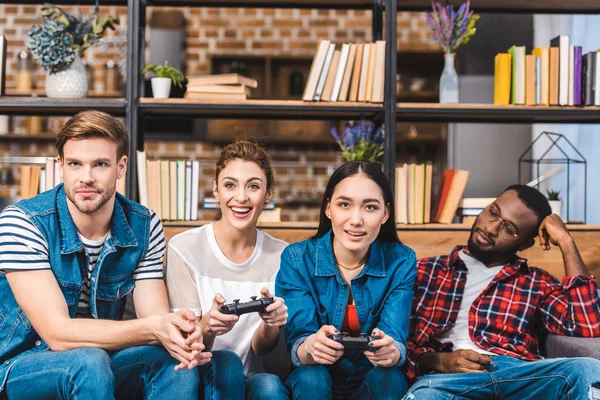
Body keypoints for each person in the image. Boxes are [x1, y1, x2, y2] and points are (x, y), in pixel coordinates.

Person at [0, 110, 210, 400]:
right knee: (88, 361)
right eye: (75, 164)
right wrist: (154, 327)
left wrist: (177, 333)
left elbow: (154, 317)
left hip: (101, 359)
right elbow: (56, 333)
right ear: (60, 166)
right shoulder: (22, 221)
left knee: (177, 363)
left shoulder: (144, 225)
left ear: (121, 167)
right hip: (19, 365)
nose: (86, 178)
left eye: (100, 164)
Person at [402, 184, 600, 400]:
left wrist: (566, 241)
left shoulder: (537, 281)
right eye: (493, 212)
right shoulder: (423, 271)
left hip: (519, 376)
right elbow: (396, 344)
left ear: (525, 244)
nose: (490, 228)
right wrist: (439, 361)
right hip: (448, 378)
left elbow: (587, 326)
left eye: (508, 228)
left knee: (588, 370)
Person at [276, 161, 416, 400]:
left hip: (371, 379)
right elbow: (298, 340)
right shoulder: (297, 259)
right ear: (328, 208)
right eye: (344, 205)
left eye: (370, 207)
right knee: (311, 376)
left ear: (386, 213)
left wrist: (391, 353)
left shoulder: (402, 261)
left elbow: (396, 338)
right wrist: (311, 346)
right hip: (316, 380)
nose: (356, 219)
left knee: (390, 376)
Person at [166, 140, 289, 400]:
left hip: (257, 377)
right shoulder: (184, 248)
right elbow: (187, 345)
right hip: (203, 374)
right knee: (227, 363)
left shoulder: (283, 256)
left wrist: (271, 325)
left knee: (271, 387)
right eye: (230, 185)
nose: (241, 197)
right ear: (216, 191)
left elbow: (264, 350)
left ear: (268, 194)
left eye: (253, 186)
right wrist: (209, 325)